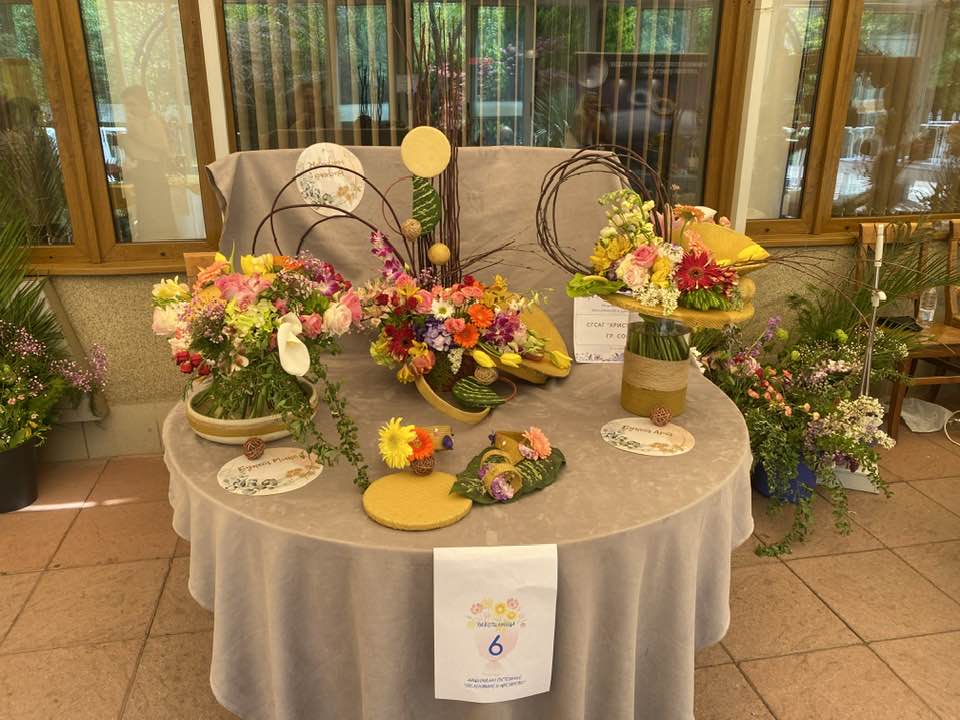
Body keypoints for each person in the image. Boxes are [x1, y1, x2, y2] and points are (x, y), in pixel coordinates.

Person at [118, 85, 178, 241]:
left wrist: (130, 135)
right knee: (147, 216)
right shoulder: (140, 121)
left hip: (152, 173)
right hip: (144, 173)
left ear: (143, 103)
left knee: (158, 216)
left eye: (132, 104)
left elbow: (161, 146)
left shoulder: (152, 121)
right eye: (127, 105)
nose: (129, 109)